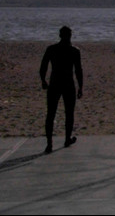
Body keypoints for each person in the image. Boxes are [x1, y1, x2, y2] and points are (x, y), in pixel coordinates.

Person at [40, 25, 83, 154]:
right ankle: (66, 139)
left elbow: (43, 67)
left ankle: (50, 143)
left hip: (55, 83)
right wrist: (81, 86)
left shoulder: (52, 49)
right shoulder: (74, 50)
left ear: (60, 35)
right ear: (69, 36)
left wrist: (43, 80)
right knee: (68, 113)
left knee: (51, 113)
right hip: (67, 83)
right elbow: (78, 70)